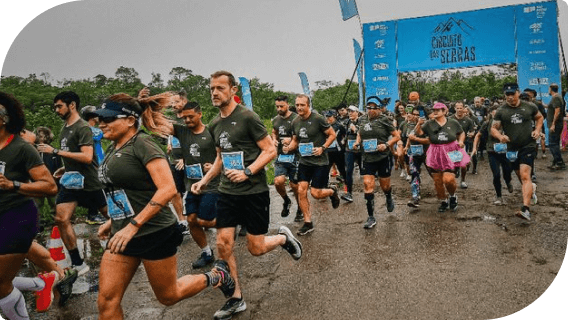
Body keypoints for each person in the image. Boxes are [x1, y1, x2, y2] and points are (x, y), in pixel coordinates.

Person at [89, 93, 234, 320]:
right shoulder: (114, 147)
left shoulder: (143, 144)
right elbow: (128, 190)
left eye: (108, 118)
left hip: (153, 232)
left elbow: (167, 189)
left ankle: (216, 275)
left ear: (129, 120)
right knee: (106, 302)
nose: (101, 123)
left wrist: (133, 225)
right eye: (100, 119)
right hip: (123, 234)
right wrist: (114, 220)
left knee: (168, 295)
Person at [191, 71, 302, 320]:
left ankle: (283, 239)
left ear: (233, 91)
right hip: (227, 192)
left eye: (220, 88)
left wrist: (248, 171)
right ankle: (235, 299)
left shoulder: (248, 117)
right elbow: (220, 157)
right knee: (223, 244)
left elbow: (270, 150)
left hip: (254, 192)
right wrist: (204, 180)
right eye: (212, 88)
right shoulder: (214, 124)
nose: (215, 92)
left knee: (256, 248)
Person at [0, 91, 60, 318]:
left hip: (16, 217)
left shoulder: (21, 148)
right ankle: (39, 284)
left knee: (0, 284)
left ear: (3, 118)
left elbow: (49, 185)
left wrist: (13, 184)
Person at [37, 91, 108, 276]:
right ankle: (77, 263)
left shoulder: (83, 127)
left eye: (59, 106)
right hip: (71, 182)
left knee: (111, 215)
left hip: (90, 182)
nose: (56, 110)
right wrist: (65, 168)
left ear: (72, 105)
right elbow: (71, 154)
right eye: (55, 107)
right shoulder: (65, 128)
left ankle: (136, 242)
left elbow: (86, 156)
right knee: (61, 218)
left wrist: (56, 152)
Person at [286, 93, 341, 235]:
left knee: (316, 193)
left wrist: (323, 147)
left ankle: (332, 191)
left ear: (308, 105)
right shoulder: (295, 122)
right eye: (297, 105)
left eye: (302, 105)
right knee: (301, 190)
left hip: (320, 161)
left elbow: (332, 134)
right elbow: (295, 140)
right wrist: (289, 146)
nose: (299, 107)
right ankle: (308, 222)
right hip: (304, 161)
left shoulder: (318, 119)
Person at [491, 83, 544, 220]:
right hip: (511, 148)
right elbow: (494, 128)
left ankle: (526, 209)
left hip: (528, 145)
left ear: (518, 93)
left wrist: (537, 130)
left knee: (525, 175)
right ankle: (531, 189)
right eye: (507, 94)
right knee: (520, 176)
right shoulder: (501, 111)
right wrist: (500, 136)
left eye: (512, 94)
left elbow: (539, 118)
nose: (510, 97)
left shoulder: (529, 106)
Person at [354, 97, 400, 228]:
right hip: (367, 158)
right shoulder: (362, 119)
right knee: (368, 185)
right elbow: (359, 133)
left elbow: (396, 136)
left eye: (373, 108)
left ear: (379, 109)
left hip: (382, 157)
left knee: (385, 186)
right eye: (368, 107)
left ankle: (388, 196)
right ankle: (371, 217)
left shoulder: (385, 120)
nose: (370, 110)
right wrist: (357, 142)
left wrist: (386, 144)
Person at [415, 102, 470, 212]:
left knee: (448, 179)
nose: (435, 112)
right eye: (434, 110)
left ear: (445, 111)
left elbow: (462, 133)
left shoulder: (453, 122)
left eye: (438, 110)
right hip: (435, 151)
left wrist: (461, 141)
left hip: (451, 150)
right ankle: (443, 201)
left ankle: (453, 196)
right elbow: (419, 133)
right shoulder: (429, 123)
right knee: (437, 180)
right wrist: (418, 124)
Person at [471, 107, 513, 205]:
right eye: (494, 114)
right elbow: (478, 135)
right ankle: (499, 196)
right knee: (496, 174)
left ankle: (508, 181)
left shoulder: (508, 123)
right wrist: (474, 148)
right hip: (492, 151)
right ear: (491, 114)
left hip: (506, 152)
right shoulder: (487, 124)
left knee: (507, 171)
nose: (497, 116)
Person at [271, 95, 302, 221]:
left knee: (294, 186)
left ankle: (300, 209)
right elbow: (274, 131)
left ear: (288, 105)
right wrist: (274, 139)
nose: (279, 109)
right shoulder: (276, 120)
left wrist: (293, 140)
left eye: (281, 106)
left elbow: (304, 136)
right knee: (278, 181)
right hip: (282, 156)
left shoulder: (297, 118)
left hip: (296, 156)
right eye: (277, 106)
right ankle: (286, 200)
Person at [79, 105, 108, 225]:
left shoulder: (88, 129)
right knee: (98, 189)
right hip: (95, 163)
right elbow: (104, 133)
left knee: (96, 189)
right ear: (92, 116)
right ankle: (93, 215)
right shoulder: (90, 130)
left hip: (98, 161)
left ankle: (93, 213)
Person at [404, 106, 430, 208]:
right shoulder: (410, 124)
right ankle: (415, 197)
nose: (415, 117)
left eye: (418, 115)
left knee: (434, 174)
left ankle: (445, 196)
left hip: (427, 153)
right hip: (414, 153)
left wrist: (419, 124)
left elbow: (421, 135)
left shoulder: (428, 125)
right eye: (414, 114)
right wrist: (406, 147)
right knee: (414, 173)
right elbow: (410, 137)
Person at [451, 101, 476, 189]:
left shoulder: (468, 120)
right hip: (452, 145)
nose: (459, 110)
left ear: (463, 108)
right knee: (453, 165)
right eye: (457, 108)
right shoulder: (450, 119)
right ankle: (455, 172)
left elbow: (472, 130)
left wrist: (471, 134)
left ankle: (463, 180)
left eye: (461, 108)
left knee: (464, 165)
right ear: (455, 108)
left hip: (463, 144)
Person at [342, 105, 362, 202]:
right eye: (349, 111)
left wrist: (355, 129)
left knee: (365, 172)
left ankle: (369, 193)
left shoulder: (362, 121)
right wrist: (344, 140)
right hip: (349, 150)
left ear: (357, 112)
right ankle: (348, 193)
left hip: (361, 150)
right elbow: (345, 134)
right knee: (348, 171)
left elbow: (365, 134)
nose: (350, 113)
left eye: (352, 111)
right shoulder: (347, 122)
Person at [546, 83, 566, 170]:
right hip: (556, 125)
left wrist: (553, 124)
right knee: (555, 144)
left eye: (549, 89)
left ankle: (559, 162)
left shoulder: (556, 97)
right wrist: (543, 105)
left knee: (552, 144)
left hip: (555, 125)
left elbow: (557, 111)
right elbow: (552, 107)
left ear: (551, 89)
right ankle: (556, 161)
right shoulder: (556, 97)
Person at [324, 109, 347, 184]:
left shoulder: (340, 126)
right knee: (326, 169)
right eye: (326, 117)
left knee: (342, 169)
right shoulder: (325, 126)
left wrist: (343, 143)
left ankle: (347, 187)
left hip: (338, 151)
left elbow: (345, 135)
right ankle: (325, 185)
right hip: (328, 151)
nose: (327, 118)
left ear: (334, 117)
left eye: (329, 117)